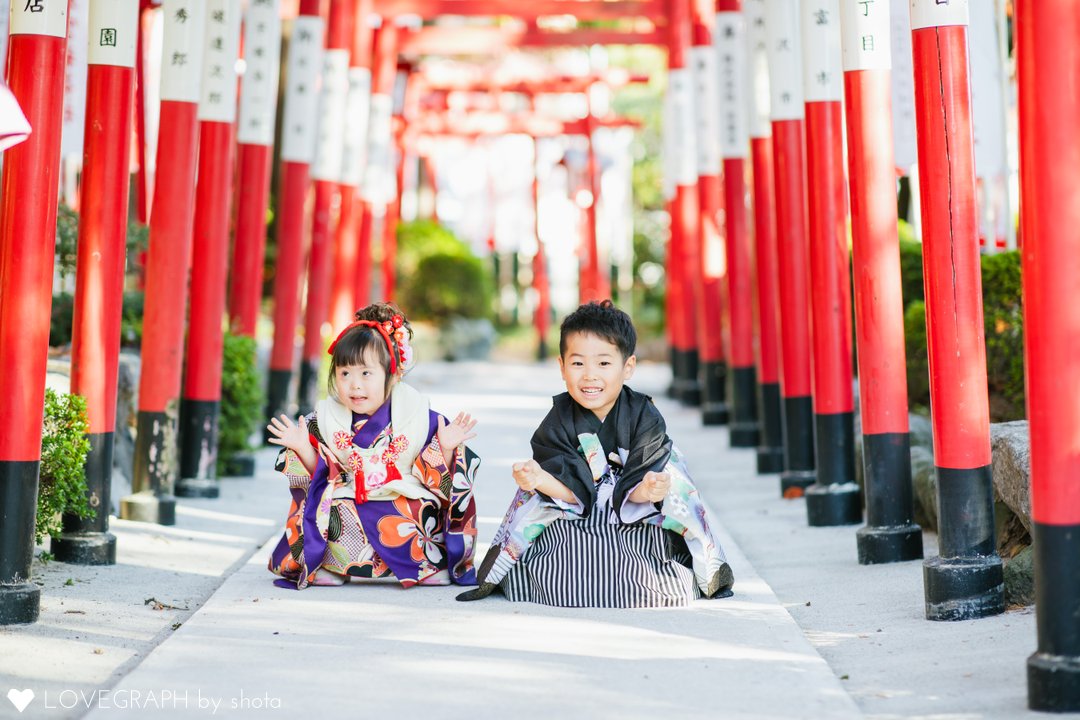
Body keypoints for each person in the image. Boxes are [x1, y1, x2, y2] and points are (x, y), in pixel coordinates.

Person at [457, 300, 733, 607]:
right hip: (574, 506)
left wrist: (652, 488)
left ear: (628, 367)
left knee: (671, 484)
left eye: (603, 364)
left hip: (637, 506)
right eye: (577, 364)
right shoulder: (558, 420)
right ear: (561, 367)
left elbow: (642, 478)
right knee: (545, 523)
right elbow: (567, 487)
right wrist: (538, 480)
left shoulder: (644, 416)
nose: (589, 375)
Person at [267, 302, 480, 589]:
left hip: (403, 492)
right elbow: (319, 472)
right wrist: (302, 447)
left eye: (366, 374)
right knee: (333, 508)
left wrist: (444, 447)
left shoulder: (417, 413)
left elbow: (439, 474)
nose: (354, 385)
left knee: (419, 506)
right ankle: (331, 565)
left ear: (392, 376)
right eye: (344, 374)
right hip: (349, 493)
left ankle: (425, 566)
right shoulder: (325, 418)